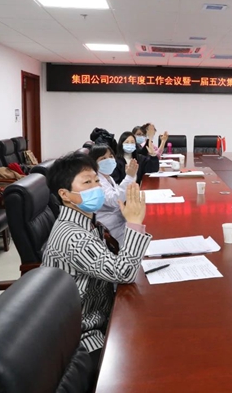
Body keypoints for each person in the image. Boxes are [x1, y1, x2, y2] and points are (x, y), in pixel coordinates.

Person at [42, 152, 151, 373]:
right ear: (65, 194)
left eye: (96, 181)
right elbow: (124, 272)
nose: (97, 187)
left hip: (102, 314)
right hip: (81, 335)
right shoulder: (74, 237)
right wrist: (133, 223)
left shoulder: (85, 222)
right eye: (87, 183)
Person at [88, 144, 138, 242]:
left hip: (119, 222)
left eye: (111, 156)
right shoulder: (96, 181)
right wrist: (129, 177)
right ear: (94, 163)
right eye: (103, 158)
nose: (109, 160)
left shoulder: (108, 177)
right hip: (110, 229)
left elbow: (119, 194)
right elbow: (114, 200)